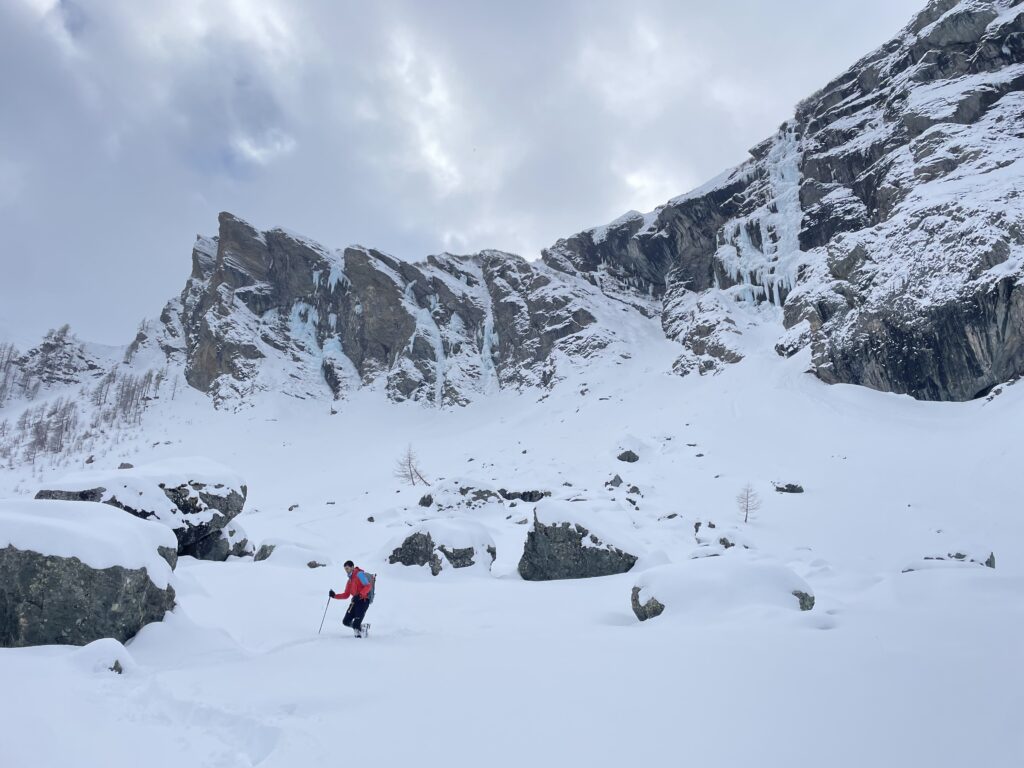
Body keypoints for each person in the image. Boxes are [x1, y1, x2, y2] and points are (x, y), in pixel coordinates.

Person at [329, 560, 372, 637]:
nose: (346, 570)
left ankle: (359, 637)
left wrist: (360, 595)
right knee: (346, 621)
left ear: (352, 567)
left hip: (363, 601)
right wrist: (334, 596)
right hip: (355, 602)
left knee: (355, 624)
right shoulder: (349, 581)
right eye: (345, 569)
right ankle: (362, 627)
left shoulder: (359, 574)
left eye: (347, 568)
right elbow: (346, 595)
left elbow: (368, 586)